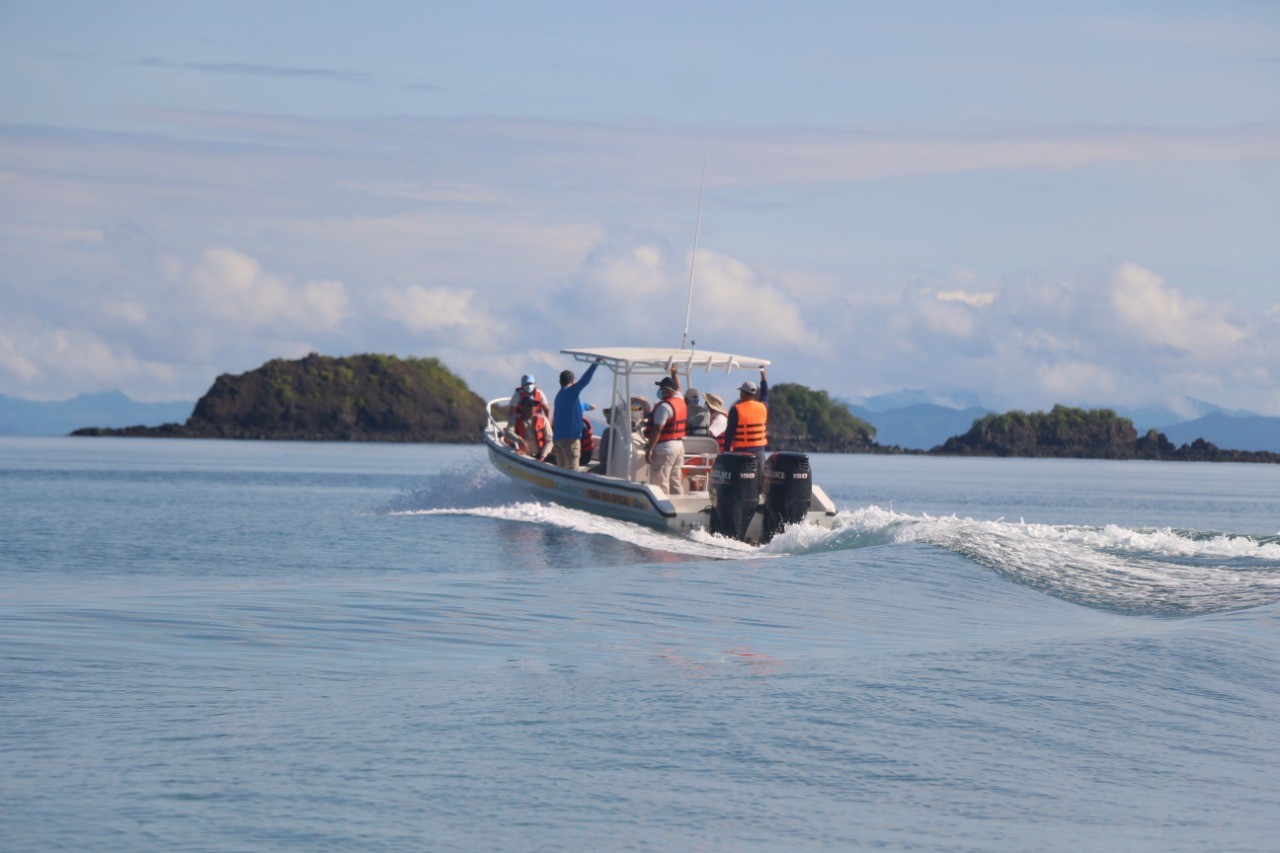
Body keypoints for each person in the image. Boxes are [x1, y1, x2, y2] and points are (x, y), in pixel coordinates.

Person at [551, 360, 600, 469]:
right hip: (570, 441)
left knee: (562, 472)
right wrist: (595, 364)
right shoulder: (571, 392)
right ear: (573, 382)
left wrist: (588, 406)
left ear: (560, 382)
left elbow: (578, 406)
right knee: (571, 473)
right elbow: (584, 381)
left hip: (558, 440)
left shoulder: (559, 397)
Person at [645, 375, 687, 494]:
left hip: (665, 448)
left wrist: (649, 449)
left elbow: (657, 429)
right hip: (679, 446)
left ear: (669, 390)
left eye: (663, 389)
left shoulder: (664, 407)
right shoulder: (680, 400)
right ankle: (679, 507)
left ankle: (663, 507)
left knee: (660, 480)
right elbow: (678, 387)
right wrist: (675, 373)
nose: (661, 391)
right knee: (675, 479)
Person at [723, 368, 769, 467]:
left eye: (741, 392)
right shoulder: (763, 407)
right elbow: (765, 395)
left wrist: (726, 452)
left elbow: (729, 433)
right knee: (759, 481)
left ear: (743, 393)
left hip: (741, 453)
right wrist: (763, 378)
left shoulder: (736, 410)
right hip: (759, 452)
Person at [512, 394, 552, 461]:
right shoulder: (515, 419)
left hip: (539, 455)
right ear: (522, 407)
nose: (532, 407)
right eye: (529, 405)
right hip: (522, 454)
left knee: (556, 461)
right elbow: (508, 433)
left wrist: (543, 456)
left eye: (534, 405)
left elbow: (550, 440)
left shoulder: (543, 419)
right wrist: (521, 440)